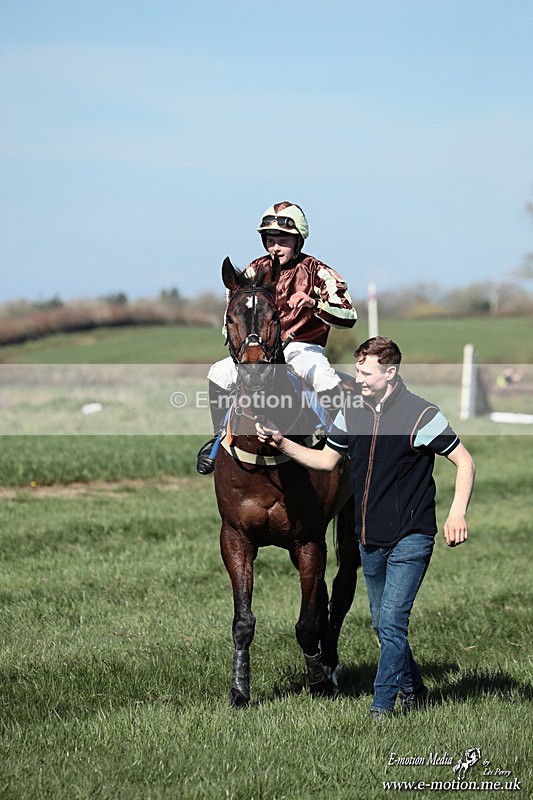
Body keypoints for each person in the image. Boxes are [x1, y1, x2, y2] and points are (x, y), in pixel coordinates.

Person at [256, 336, 476, 718]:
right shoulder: (350, 411)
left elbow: (465, 461)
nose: (357, 378)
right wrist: (281, 443)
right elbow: (326, 461)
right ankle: (416, 692)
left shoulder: (422, 416)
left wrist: (457, 513)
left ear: (390, 373)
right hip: (368, 538)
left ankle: (381, 707)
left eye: (365, 372)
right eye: (356, 370)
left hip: (412, 535)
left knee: (391, 624)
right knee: (381, 624)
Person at [196, 201, 357, 474]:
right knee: (218, 373)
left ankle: (339, 444)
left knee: (321, 375)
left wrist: (314, 304)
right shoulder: (251, 271)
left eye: (283, 241)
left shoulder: (318, 271)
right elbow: (232, 318)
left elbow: (348, 315)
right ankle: (218, 439)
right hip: (259, 348)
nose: (275, 248)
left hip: (303, 347)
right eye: (271, 241)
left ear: (298, 241)